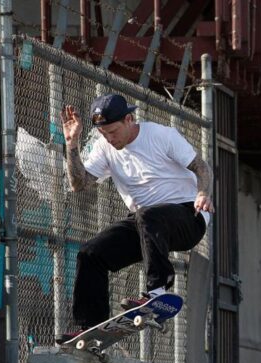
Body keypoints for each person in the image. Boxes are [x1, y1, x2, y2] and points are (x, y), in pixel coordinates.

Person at [55, 94, 214, 343]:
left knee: (147, 215)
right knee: (90, 254)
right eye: (104, 133)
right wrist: (71, 145)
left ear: (129, 119)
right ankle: (91, 327)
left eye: (114, 131)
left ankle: (157, 291)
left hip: (188, 215)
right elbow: (79, 184)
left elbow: (201, 167)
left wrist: (203, 193)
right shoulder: (104, 146)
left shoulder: (162, 136)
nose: (110, 138)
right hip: (146, 223)